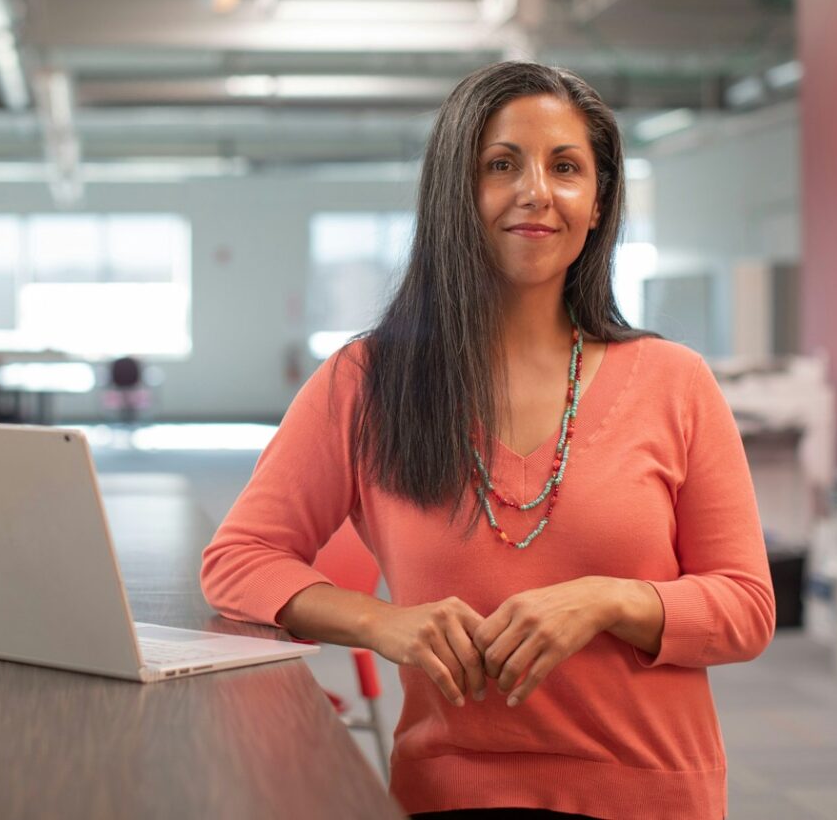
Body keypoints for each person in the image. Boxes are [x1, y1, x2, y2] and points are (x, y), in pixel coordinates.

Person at [200, 61, 775, 820]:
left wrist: (609, 601)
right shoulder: (367, 381)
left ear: (598, 203)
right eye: (501, 164)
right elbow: (237, 561)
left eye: (566, 167)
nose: (537, 191)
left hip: (648, 793)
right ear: (457, 195)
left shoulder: (675, 381)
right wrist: (381, 622)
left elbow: (746, 608)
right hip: (450, 793)